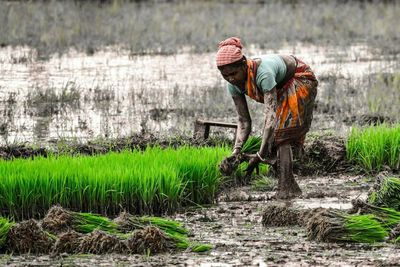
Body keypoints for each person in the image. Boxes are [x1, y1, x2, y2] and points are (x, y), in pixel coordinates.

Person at [217, 37, 318, 199]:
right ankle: (283, 174)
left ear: (244, 64)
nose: (231, 78)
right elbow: (244, 121)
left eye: (234, 73)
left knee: (281, 133)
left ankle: (287, 187)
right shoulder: (233, 85)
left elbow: (270, 118)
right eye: (225, 75)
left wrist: (260, 155)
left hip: (299, 78)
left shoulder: (263, 74)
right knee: (275, 136)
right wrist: (236, 151)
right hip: (280, 85)